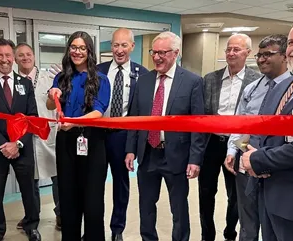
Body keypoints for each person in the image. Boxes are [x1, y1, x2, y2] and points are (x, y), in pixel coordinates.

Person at [241, 17, 293, 241]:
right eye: (291, 42)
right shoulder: (285, 85)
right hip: (268, 192)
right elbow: (265, 127)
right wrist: (251, 152)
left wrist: (259, 159)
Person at [125, 31, 206, 241]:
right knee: (146, 205)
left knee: (178, 208)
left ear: (176, 53)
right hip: (147, 154)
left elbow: (198, 124)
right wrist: (130, 150)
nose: (157, 57)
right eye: (154, 52)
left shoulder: (192, 82)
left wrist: (195, 159)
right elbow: (134, 118)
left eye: (163, 52)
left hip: (176, 156)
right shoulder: (143, 81)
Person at [224, 34, 292, 241]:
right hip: (247, 163)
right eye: (260, 55)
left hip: (278, 167)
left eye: (268, 54)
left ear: (284, 56)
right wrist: (233, 150)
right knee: (248, 219)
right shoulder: (251, 89)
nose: (262, 59)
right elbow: (239, 123)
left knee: (274, 222)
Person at [0, 38, 41, 241]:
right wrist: (3, 144)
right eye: (0, 55)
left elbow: (32, 117)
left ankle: (32, 226)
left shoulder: (25, 83)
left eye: (8, 55)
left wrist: (17, 143)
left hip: (22, 147)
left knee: (29, 190)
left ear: (14, 57)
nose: (5, 59)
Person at [46, 31, 110, 241]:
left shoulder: (100, 79)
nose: (77, 52)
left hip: (92, 141)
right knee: (68, 199)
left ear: (89, 51)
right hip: (65, 142)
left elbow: (99, 111)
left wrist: (74, 122)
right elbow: (50, 105)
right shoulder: (61, 77)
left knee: (92, 203)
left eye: (82, 48)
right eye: (74, 47)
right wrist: (52, 94)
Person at [201, 33, 261, 241]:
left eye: (236, 49)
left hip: (239, 142)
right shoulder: (210, 79)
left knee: (236, 195)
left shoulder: (257, 81)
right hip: (212, 142)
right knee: (205, 193)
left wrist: (239, 146)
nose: (231, 53)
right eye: (228, 49)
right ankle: (206, 234)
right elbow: (202, 115)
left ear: (248, 53)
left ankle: (230, 232)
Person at [97, 28, 148, 241]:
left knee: (120, 185)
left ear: (132, 47)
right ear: (111, 46)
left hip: (123, 136)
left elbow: (142, 113)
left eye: (124, 45)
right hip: (98, 135)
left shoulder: (142, 74)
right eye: (116, 45)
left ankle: (117, 229)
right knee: (94, 185)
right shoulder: (97, 70)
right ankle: (93, 228)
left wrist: (132, 147)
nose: (119, 50)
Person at [14, 42, 61, 230]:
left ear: (34, 56)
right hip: (25, 137)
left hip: (48, 136)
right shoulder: (14, 81)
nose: (25, 58)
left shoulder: (49, 78)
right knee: (29, 180)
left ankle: (61, 214)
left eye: (28, 54)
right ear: (16, 59)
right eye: (21, 55)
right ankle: (31, 217)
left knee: (57, 177)